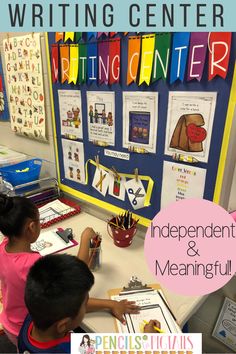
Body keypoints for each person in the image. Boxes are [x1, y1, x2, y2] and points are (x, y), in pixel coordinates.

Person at [0, 194, 139, 345]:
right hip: (26, 328)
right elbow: (72, 287)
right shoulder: (32, 265)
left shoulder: (3, 247)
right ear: (32, 227)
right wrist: (85, 240)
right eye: (39, 221)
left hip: (13, 325)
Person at [18, 254, 94, 353]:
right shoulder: (71, 349)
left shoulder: (32, 318)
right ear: (63, 325)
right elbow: (105, 346)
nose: (87, 304)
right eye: (85, 304)